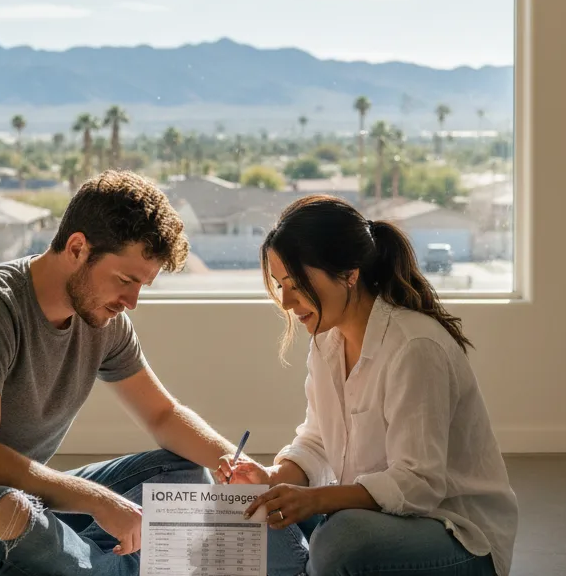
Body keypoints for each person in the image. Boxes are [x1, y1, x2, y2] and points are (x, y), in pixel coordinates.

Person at [0, 171, 246, 576]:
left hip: (25, 503)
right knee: (11, 513)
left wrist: (241, 467)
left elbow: (162, 415)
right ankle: (101, 564)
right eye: (125, 280)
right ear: (77, 247)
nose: (132, 302)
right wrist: (102, 503)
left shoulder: (103, 320)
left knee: (185, 472)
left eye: (143, 286)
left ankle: (81, 561)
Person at [215, 195, 518, 576]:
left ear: (349, 273)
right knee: (261, 516)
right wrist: (272, 479)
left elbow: (418, 483)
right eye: (280, 285)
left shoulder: (414, 347)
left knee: (340, 540)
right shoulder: (327, 341)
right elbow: (317, 440)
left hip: (455, 534)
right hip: (376, 517)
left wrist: (314, 500)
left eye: (296, 283)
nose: (287, 301)